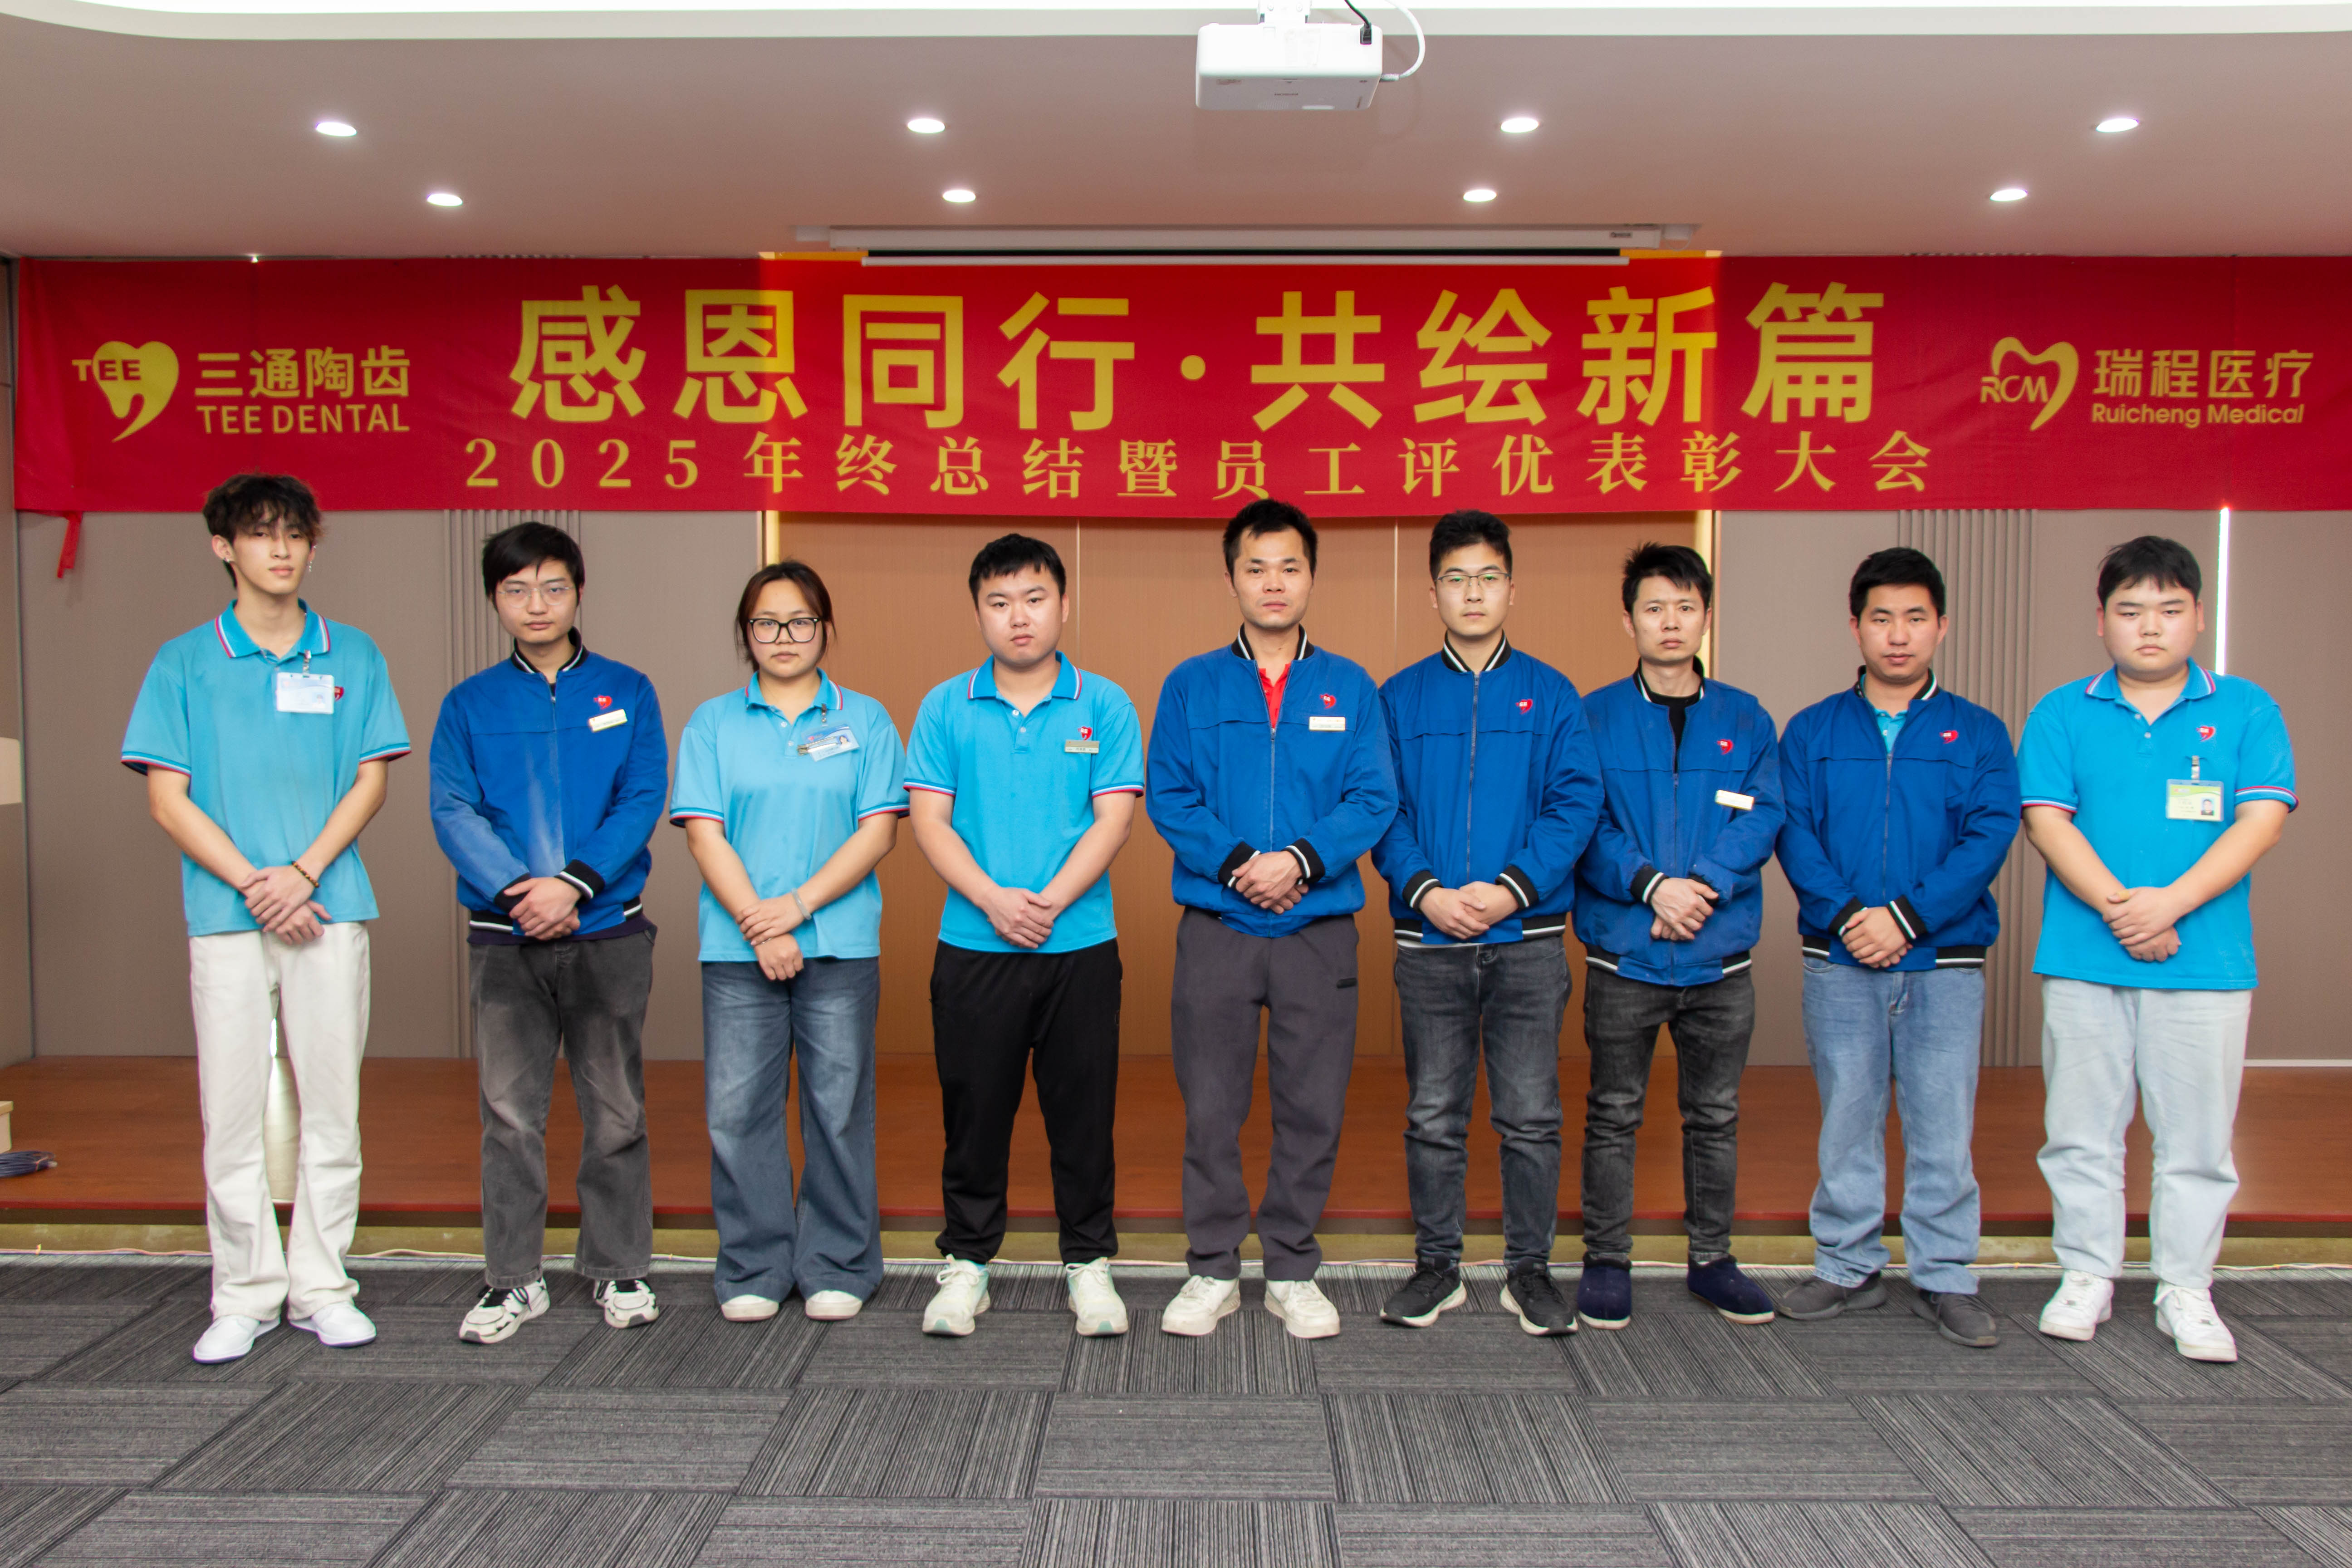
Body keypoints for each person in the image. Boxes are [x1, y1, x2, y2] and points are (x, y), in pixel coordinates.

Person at [121, 473, 409, 1364]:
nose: (281, 550)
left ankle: (322, 1287)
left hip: (329, 907)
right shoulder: (183, 661)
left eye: (295, 534)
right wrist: (257, 882)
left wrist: (303, 872)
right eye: (260, 533)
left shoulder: (352, 653)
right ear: (224, 547)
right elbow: (168, 798)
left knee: (334, 1109)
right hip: (227, 913)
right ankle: (243, 1293)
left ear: (313, 546)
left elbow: (371, 780)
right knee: (233, 1110)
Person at [2019, 536, 2293, 1363]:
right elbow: (2046, 822)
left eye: (2170, 610)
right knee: (2079, 1131)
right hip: (2084, 958)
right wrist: (2125, 912)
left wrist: (2170, 905)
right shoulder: (2062, 712)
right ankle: (2087, 1274)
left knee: (2198, 1140)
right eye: (2131, 610)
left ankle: (2186, 1288)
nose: (2150, 627)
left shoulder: (2247, 709)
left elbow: (2261, 821)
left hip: (2206, 962)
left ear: (2199, 617)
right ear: (2101, 620)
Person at [1145, 499, 1398, 1340]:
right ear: (1232, 579)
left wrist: (1298, 862)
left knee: (1312, 1107)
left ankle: (1291, 1266)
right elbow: (1171, 793)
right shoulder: (1190, 684)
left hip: (1316, 928)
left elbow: (1373, 797)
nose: (1274, 583)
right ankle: (1212, 1268)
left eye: (1290, 567)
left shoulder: (1350, 687)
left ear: (1311, 576)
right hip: (1218, 925)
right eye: (1256, 568)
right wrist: (1241, 867)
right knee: (1210, 1107)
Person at [1773, 548, 2021, 1349]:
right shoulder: (1812, 730)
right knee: (1847, 1116)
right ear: (1856, 627)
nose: (1899, 635)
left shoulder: (1979, 732)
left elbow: (1988, 837)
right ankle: (1847, 1265)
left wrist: (1906, 920)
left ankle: (1945, 1274)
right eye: (1882, 619)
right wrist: (1852, 917)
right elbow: (1794, 833)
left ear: (1941, 626)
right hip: (1840, 957)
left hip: (1944, 962)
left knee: (1942, 1122)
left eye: (1916, 618)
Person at [429, 523, 669, 1344]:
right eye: (517, 590)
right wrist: (519, 893)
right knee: (508, 1116)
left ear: (578, 593)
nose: (537, 605)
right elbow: (452, 809)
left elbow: (642, 798)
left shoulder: (627, 690)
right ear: (495, 599)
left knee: (617, 1111)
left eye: (553, 587)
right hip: (506, 940)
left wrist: (573, 885)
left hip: (607, 930)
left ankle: (620, 1265)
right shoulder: (468, 705)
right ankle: (513, 1279)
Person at [906, 534, 1143, 1339]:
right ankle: (968, 1262)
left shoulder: (1103, 703)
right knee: (975, 1112)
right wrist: (993, 902)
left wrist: (1045, 904)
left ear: (1063, 605)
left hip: (1080, 946)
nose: (1019, 617)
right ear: (978, 611)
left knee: (1084, 1113)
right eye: (1000, 602)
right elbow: (930, 823)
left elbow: (1113, 820)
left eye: (1035, 599)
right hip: (975, 946)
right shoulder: (946, 706)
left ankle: (1090, 1263)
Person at [1371, 511, 1602, 1335]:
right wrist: (1427, 892)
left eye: (1488, 578)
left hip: (1527, 940)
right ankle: (1437, 1267)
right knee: (1433, 1112)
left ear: (1512, 588)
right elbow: (1382, 807)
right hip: (1429, 937)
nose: (1473, 594)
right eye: (1456, 580)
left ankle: (1529, 1271)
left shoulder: (1553, 694)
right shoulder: (1398, 697)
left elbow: (1575, 807)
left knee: (1531, 1114)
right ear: (1432, 592)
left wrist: (1509, 891)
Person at [671, 561, 906, 1323]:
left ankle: (838, 1262)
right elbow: (704, 834)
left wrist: (796, 909)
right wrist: (759, 923)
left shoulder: (866, 719)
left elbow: (878, 832)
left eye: (800, 621)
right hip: (737, 950)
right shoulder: (712, 723)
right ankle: (753, 1266)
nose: (783, 636)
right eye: (765, 623)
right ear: (745, 634)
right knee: (738, 1113)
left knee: (838, 1110)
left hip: (839, 944)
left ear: (824, 628)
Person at [1570, 543, 1782, 1332]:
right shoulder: (1592, 716)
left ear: (1706, 617)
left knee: (1714, 1114)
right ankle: (1606, 1260)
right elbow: (1582, 820)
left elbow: (1763, 815)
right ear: (1628, 619)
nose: (1670, 622)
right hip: (1625, 951)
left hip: (1717, 956)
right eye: (1654, 607)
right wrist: (1652, 886)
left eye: (1685, 608)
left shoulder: (1746, 718)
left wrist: (1700, 888)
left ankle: (1713, 1259)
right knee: (1613, 1112)